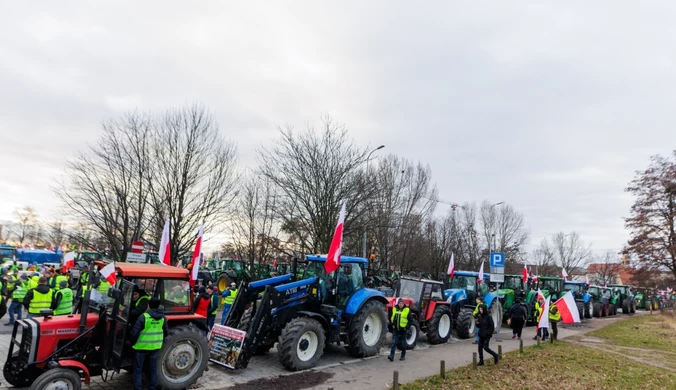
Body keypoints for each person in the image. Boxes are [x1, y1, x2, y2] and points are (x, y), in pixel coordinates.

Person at [131, 298, 168, 390]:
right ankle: (152, 388)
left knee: (138, 371)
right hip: (155, 348)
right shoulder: (163, 318)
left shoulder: (143, 317)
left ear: (148, 306)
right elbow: (166, 332)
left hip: (141, 348)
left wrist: (132, 343)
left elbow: (134, 332)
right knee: (152, 370)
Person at [388, 297, 410, 361]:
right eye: (400, 303)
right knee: (394, 342)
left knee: (403, 343)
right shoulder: (394, 309)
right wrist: (392, 325)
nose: (401, 305)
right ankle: (391, 356)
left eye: (402, 303)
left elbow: (410, 320)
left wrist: (406, 327)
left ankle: (403, 356)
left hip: (403, 329)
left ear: (403, 304)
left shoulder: (407, 310)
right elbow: (392, 318)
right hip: (396, 328)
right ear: (398, 304)